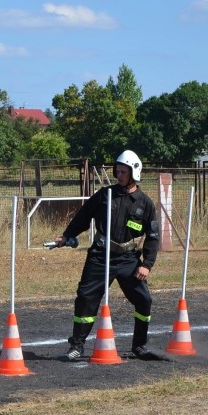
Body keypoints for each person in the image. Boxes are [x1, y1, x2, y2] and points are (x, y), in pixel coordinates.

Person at [53, 149, 163, 361]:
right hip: (100, 257)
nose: (119, 175)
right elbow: (83, 217)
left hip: (128, 260)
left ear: (134, 173)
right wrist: (67, 236)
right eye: (118, 171)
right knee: (86, 298)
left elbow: (153, 237)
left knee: (144, 300)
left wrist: (146, 264)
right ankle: (76, 346)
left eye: (123, 172)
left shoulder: (145, 203)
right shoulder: (105, 195)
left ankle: (139, 346)